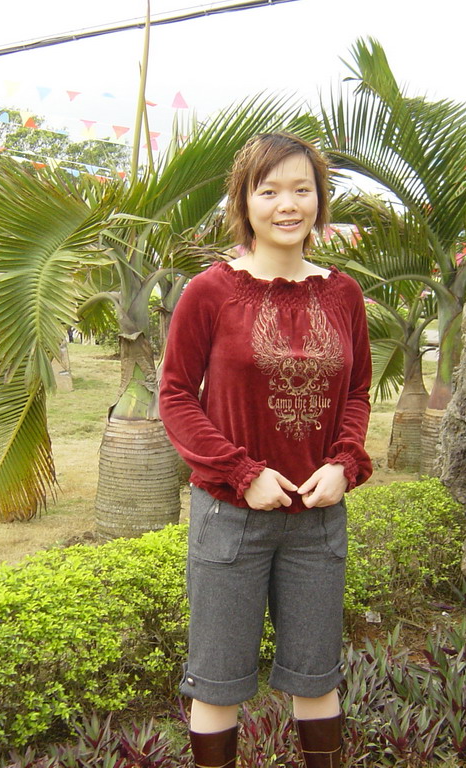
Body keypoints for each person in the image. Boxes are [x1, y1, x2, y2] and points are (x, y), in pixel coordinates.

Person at [159, 132, 372, 768]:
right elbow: (175, 396)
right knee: (218, 682)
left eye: (302, 189)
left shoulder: (343, 294)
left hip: (317, 517)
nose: (288, 204)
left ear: (320, 201)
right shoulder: (211, 291)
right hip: (231, 517)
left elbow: (357, 393)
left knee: (316, 679)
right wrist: (240, 472)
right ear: (244, 201)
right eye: (269, 189)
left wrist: (343, 463)